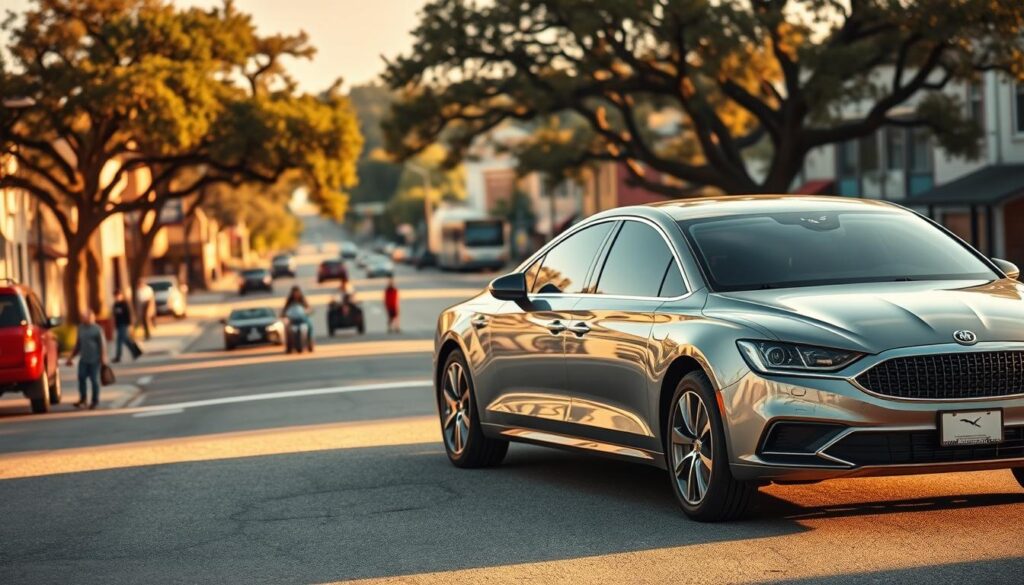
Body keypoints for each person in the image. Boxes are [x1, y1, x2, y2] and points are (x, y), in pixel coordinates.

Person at [66, 310, 108, 410]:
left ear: (92, 318)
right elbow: (78, 344)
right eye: (83, 317)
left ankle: (95, 401)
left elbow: (102, 345)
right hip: (84, 359)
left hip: (95, 359)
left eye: (86, 317)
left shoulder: (97, 329)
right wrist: (71, 357)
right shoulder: (80, 328)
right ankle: (83, 398)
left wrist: (103, 358)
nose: (84, 319)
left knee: (94, 380)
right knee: (81, 378)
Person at [112, 290, 143, 362]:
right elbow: (115, 317)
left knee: (125, 340)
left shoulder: (124, 304)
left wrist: (130, 325)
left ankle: (136, 352)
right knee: (121, 341)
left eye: (118, 296)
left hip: (124, 325)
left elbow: (128, 315)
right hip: (119, 325)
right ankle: (120, 356)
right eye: (115, 296)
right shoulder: (115, 305)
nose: (117, 297)